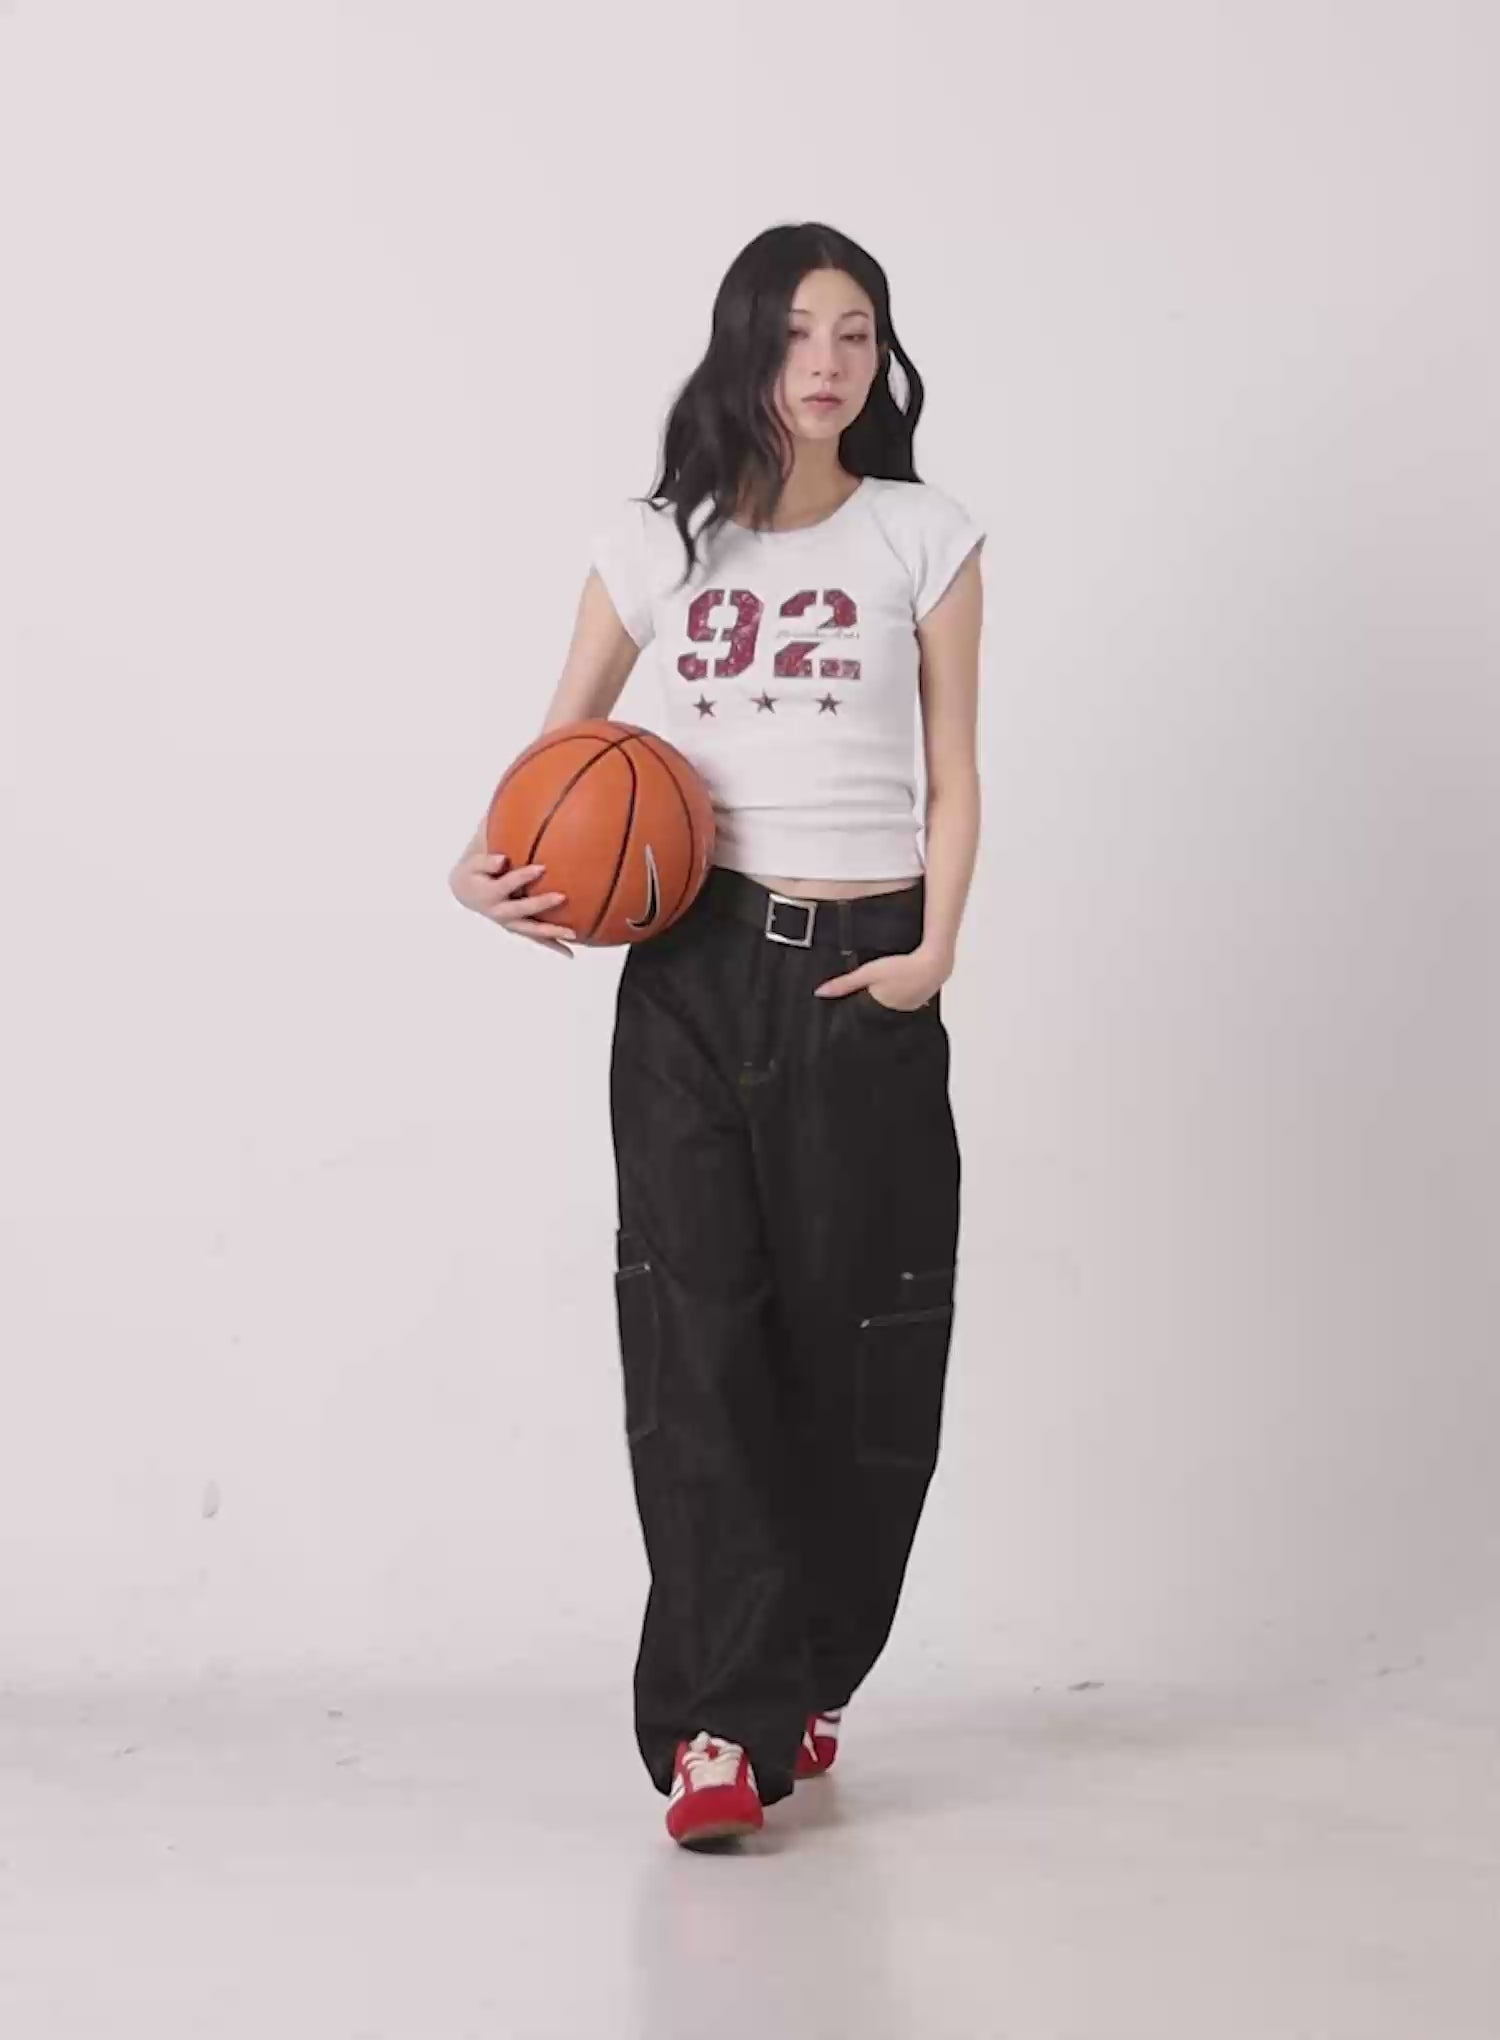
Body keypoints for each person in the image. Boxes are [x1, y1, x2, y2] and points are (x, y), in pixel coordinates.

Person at [449, 222, 984, 1849]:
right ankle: (713, 1732)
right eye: (798, 331)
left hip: (864, 976)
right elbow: (560, 752)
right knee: (697, 1348)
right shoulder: (654, 541)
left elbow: (957, 770)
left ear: (881, 359)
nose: (827, 362)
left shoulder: (923, 536)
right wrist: (484, 869)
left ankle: (809, 1669)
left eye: (855, 333)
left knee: (857, 1348)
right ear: (743, 346)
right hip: (693, 970)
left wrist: (933, 953)